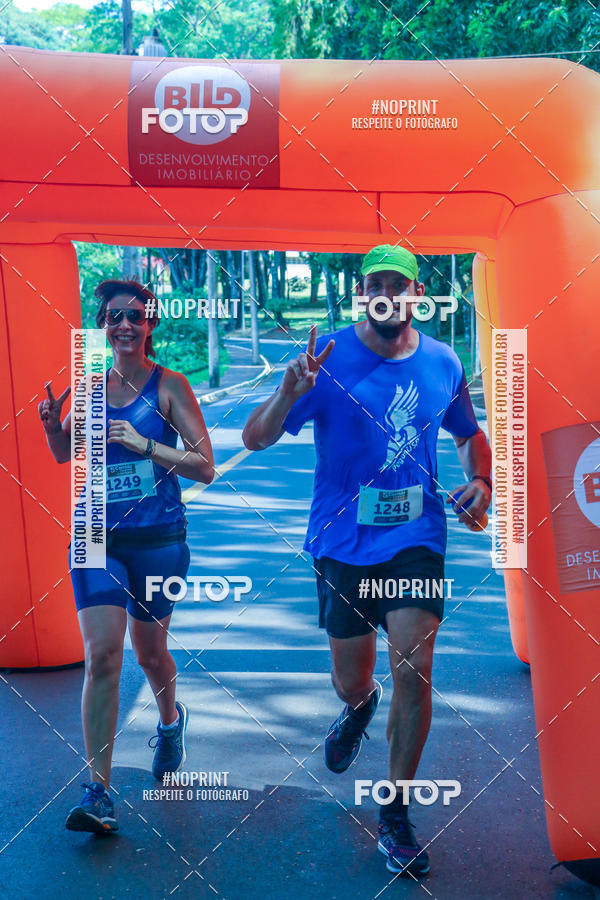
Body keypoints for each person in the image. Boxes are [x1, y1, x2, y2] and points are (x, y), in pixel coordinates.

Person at [242, 244, 492, 876]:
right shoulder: (324, 359)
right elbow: (256, 437)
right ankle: (357, 708)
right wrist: (287, 388)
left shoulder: (441, 360)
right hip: (341, 544)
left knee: (415, 668)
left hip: (416, 538)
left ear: (416, 293)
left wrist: (481, 481)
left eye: (398, 284)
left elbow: (468, 434)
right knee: (354, 680)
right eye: (374, 284)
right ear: (362, 294)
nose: (386, 294)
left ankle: (397, 810)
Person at [38, 280, 214, 835]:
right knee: (103, 657)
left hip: (159, 539)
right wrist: (51, 428)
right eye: (113, 317)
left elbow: (204, 465)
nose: (124, 326)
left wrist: (144, 445)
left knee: (151, 654)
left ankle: (169, 721)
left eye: (135, 316)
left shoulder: (170, 387)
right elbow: (67, 455)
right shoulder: (87, 386)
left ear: (150, 323)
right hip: (96, 537)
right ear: (103, 326)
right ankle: (98, 791)